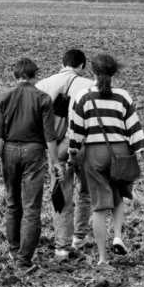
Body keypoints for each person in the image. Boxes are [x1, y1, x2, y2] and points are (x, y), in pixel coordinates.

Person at [68, 53, 144, 270]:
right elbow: (134, 127)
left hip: (94, 153)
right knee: (119, 194)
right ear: (114, 72)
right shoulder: (123, 96)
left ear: (93, 72)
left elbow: (76, 131)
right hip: (121, 150)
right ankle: (117, 236)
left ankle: (102, 259)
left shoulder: (83, 96)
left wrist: (72, 154)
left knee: (98, 206)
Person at [0, 57, 62, 273]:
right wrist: (55, 161)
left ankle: (14, 250)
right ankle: (24, 260)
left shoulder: (3, 98)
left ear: (15, 75)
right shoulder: (43, 98)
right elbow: (50, 135)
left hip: (9, 151)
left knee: (13, 203)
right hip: (34, 151)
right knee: (32, 207)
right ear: (34, 75)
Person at [35, 49, 94, 259]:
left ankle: (61, 246)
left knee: (61, 195)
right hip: (83, 145)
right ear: (82, 66)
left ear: (62, 63)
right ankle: (79, 237)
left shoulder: (43, 84)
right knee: (85, 193)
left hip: (56, 147)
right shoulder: (89, 85)